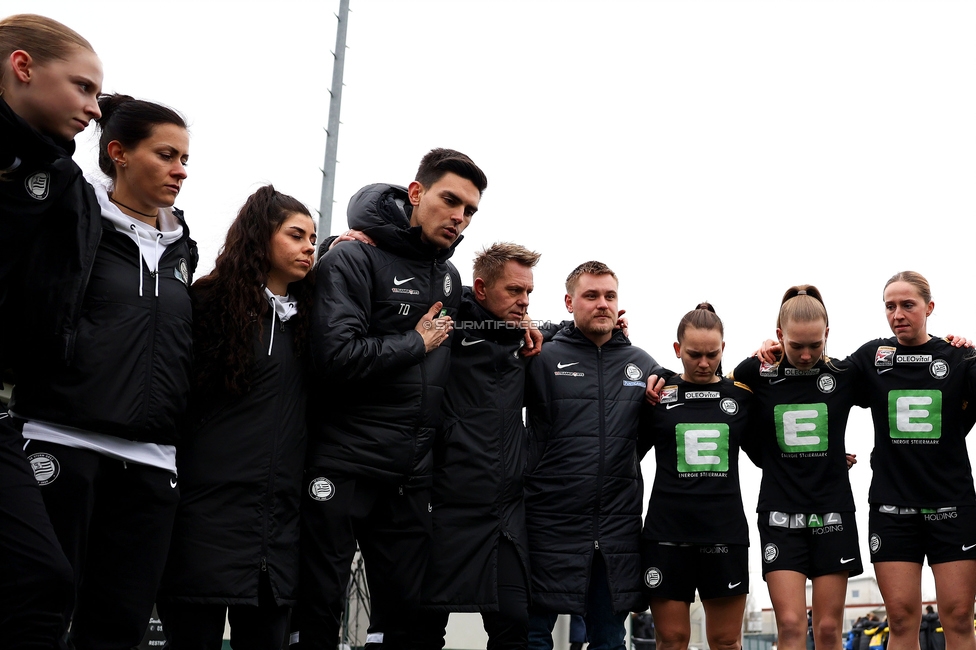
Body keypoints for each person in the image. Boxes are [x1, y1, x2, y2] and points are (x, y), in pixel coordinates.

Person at [8, 92, 195, 649]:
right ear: (118, 152)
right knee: (38, 605)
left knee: (120, 625)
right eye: (166, 155)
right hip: (61, 438)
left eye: (185, 160)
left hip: (151, 458)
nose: (180, 171)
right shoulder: (70, 218)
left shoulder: (185, 246)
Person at [296, 148, 488, 650]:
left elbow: (484, 320)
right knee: (317, 609)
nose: (459, 217)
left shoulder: (447, 276)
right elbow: (334, 356)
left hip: (408, 476)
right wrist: (415, 342)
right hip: (344, 464)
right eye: (450, 200)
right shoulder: (351, 255)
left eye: (469, 210)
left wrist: (545, 331)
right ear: (416, 193)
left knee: (404, 620)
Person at [156, 186, 316, 649]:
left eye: (312, 238)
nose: (308, 246)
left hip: (278, 527)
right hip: (202, 519)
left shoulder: (311, 319)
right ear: (259, 238)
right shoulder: (205, 304)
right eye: (295, 235)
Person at [0, 14, 100, 648]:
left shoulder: (63, 181)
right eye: (82, 87)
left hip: (7, 412)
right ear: (23, 67)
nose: (93, 108)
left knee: (40, 581)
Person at [524, 261, 667, 650]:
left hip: (616, 532)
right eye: (590, 296)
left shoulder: (644, 365)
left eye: (609, 296)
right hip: (546, 526)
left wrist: (756, 363)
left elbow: (701, 382)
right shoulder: (540, 356)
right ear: (569, 302)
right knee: (532, 638)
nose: (602, 303)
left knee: (608, 640)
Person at [415, 242, 541, 650]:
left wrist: (617, 334)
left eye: (529, 293)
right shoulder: (446, 327)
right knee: (424, 632)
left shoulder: (525, 342)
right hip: (442, 511)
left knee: (514, 625)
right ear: (481, 288)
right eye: (514, 291)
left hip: (502, 517)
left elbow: (578, 338)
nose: (524, 303)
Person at [846, 272, 976, 650]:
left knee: (957, 617)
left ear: (929, 308)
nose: (898, 313)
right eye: (890, 306)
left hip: (951, 507)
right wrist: (774, 348)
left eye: (908, 305)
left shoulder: (958, 357)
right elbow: (822, 385)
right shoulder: (873, 357)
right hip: (892, 509)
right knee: (901, 619)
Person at [733, 286, 863, 650]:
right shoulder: (755, 373)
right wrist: (765, 456)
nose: (806, 355)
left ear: (827, 336)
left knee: (826, 629)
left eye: (815, 345)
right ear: (778, 337)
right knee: (789, 624)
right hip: (779, 514)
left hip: (832, 512)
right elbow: (723, 409)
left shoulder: (845, 374)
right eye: (795, 345)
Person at [640, 304, 756, 650]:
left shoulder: (741, 396)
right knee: (672, 640)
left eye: (712, 354)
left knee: (724, 640)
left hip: (724, 533)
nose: (704, 363)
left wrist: (829, 461)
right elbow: (623, 454)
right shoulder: (656, 396)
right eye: (694, 355)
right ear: (678, 350)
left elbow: (769, 454)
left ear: (723, 349)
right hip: (666, 534)